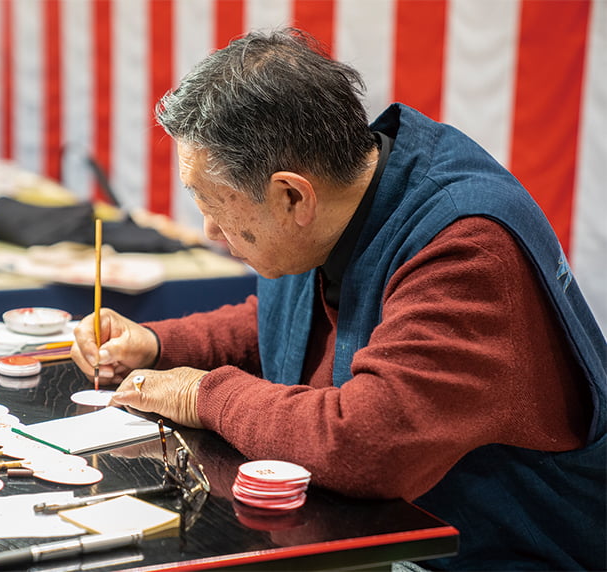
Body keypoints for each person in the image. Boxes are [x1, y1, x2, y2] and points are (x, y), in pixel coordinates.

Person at [71, 28, 606, 570]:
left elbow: (367, 443)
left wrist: (201, 395)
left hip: (498, 554)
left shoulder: (466, 247)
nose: (208, 229)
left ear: (291, 195)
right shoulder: (340, 198)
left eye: (214, 203)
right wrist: (160, 344)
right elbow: (287, 325)